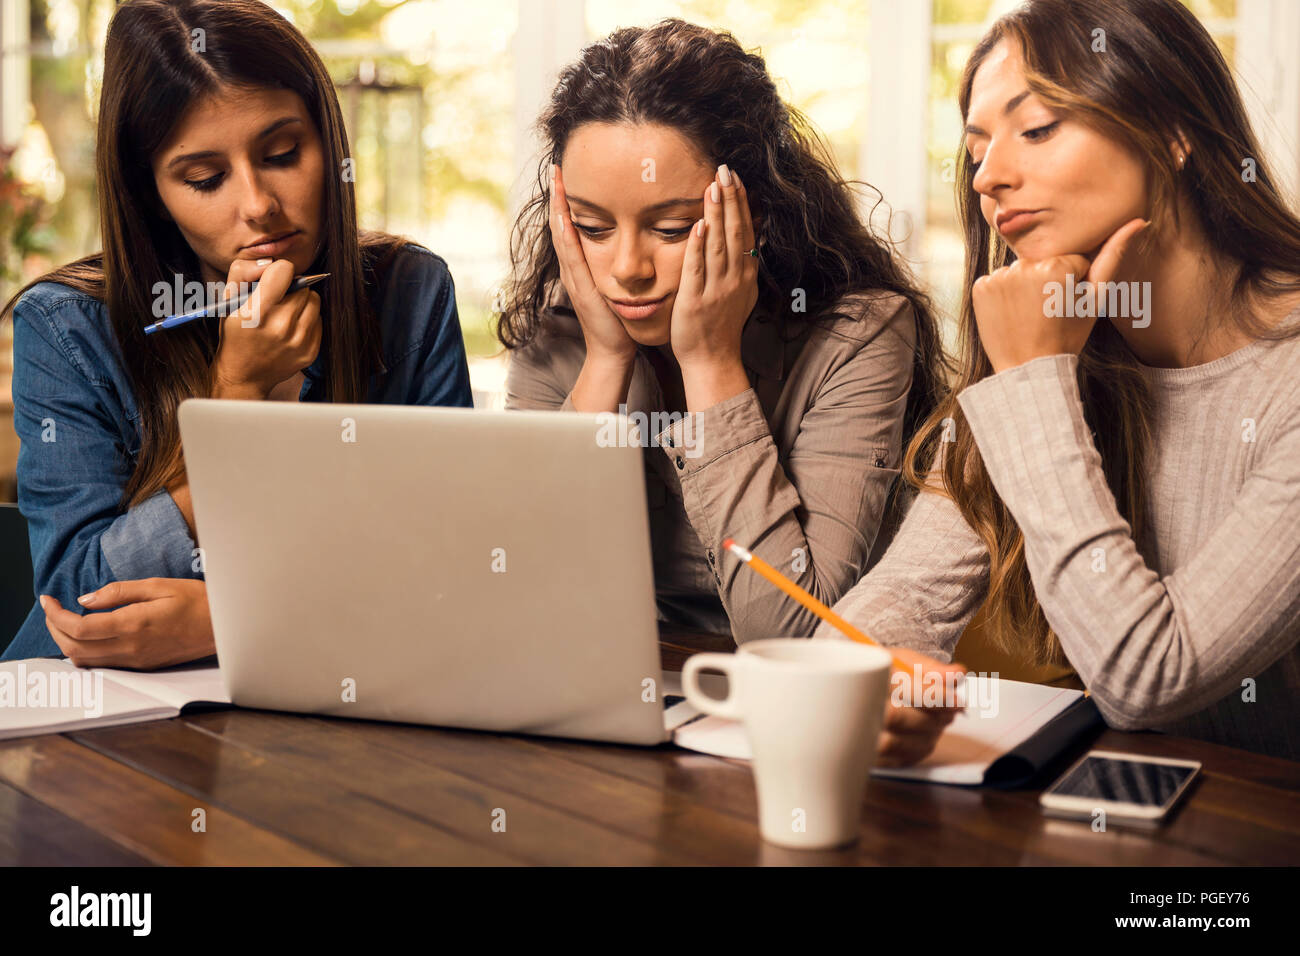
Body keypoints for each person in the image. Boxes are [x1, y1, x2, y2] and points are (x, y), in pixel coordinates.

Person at [822, 0, 1300, 760]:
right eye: (976, 149)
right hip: (1130, 810)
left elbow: (1149, 682)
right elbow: (905, 592)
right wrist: (883, 667)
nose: (990, 176)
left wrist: (1036, 380)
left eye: (1038, 129)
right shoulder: (1063, 338)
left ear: (1174, 132)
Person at [1, 0, 472, 668]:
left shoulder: (409, 292)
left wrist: (238, 623)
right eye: (206, 178)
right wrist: (237, 395)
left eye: (282, 153)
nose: (258, 205)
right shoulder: (66, 326)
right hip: (88, 730)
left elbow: (457, 571)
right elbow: (80, 605)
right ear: (151, 192)